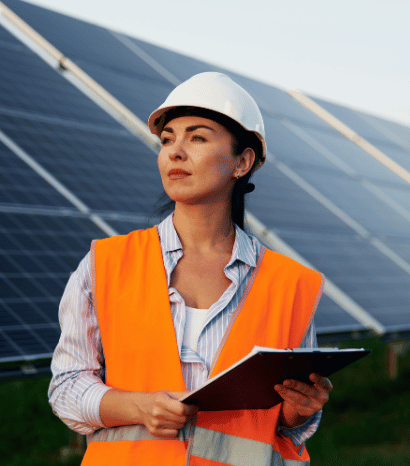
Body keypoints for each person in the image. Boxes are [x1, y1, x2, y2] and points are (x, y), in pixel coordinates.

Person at [48, 72, 333, 465]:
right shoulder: (105, 264)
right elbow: (65, 389)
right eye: (167, 140)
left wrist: (300, 409)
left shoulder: (291, 285)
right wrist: (138, 407)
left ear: (243, 161)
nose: (175, 152)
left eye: (197, 137)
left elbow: (282, 425)